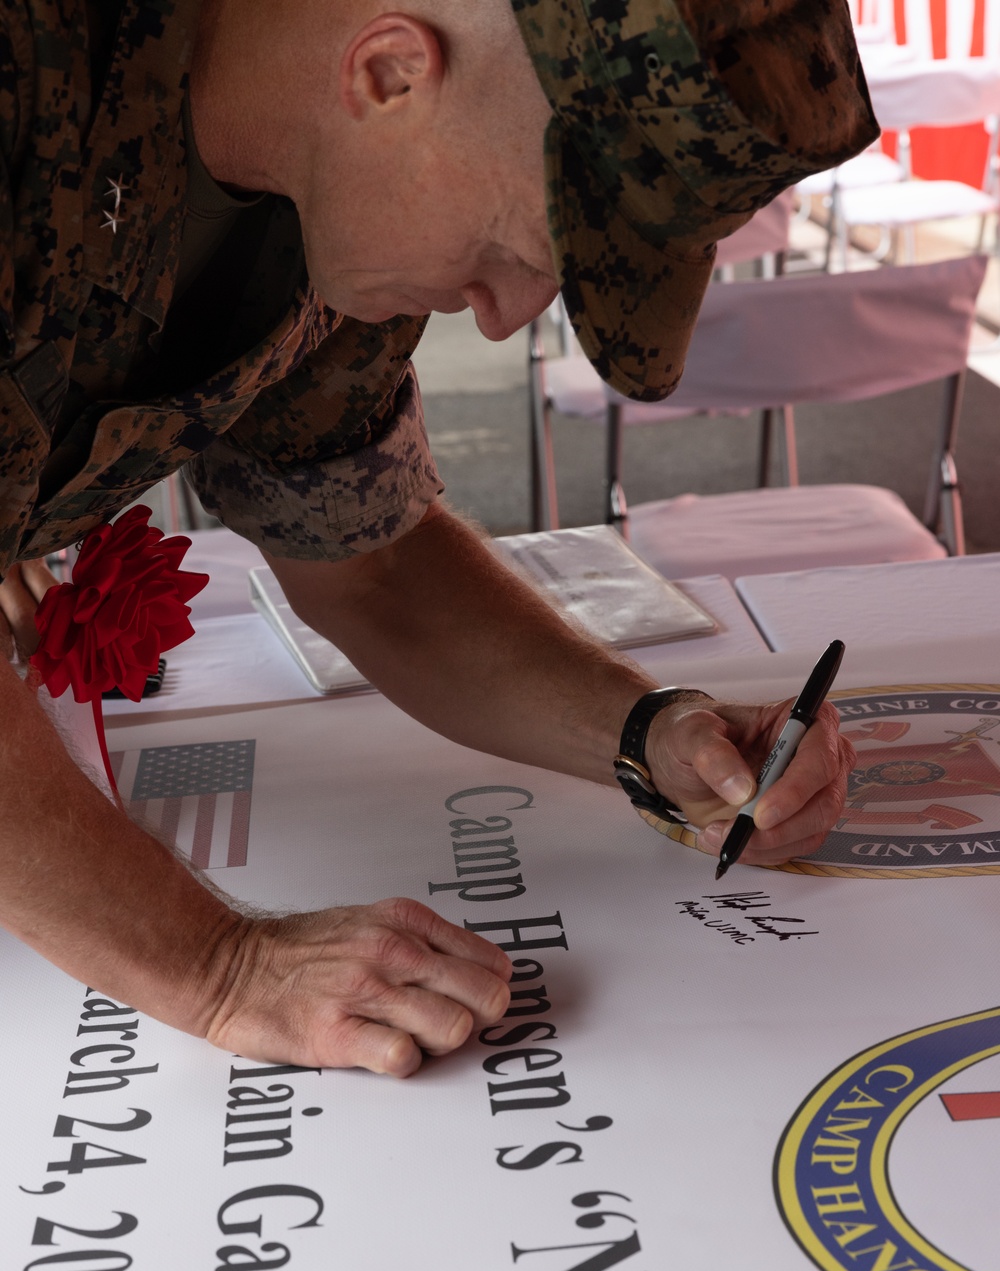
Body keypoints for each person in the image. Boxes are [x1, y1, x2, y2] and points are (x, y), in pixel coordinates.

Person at [0, 0, 871, 1077]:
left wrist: (646, 733)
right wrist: (222, 970)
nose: (506, 317)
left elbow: (369, 564)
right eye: (512, 247)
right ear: (392, 74)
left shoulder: (333, 198)